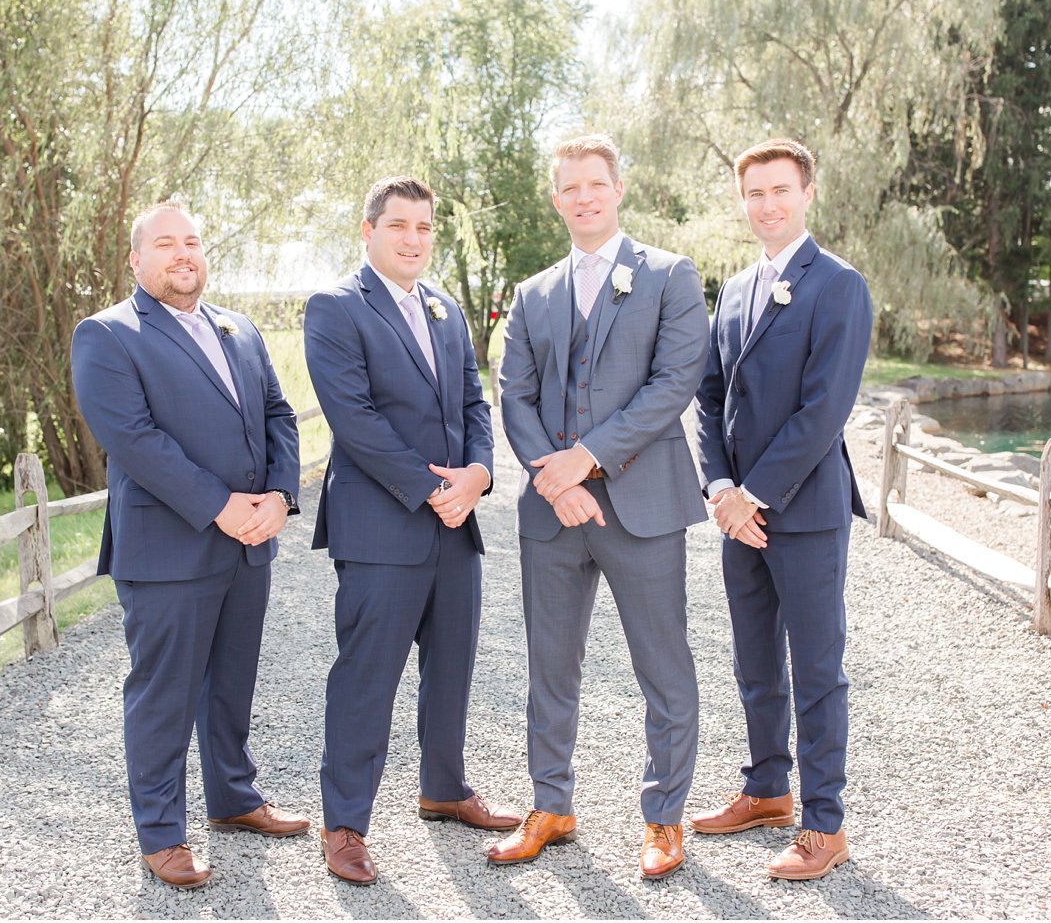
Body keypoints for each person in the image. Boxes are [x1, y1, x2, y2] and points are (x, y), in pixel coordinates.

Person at [71, 201, 308, 891]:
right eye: (166, 244)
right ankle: (163, 834)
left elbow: (277, 414)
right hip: (168, 550)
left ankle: (234, 800)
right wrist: (222, 507)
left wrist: (279, 497)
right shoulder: (108, 335)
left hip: (248, 544)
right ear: (136, 260)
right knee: (164, 694)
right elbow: (135, 440)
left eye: (193, 242)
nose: (183, 254)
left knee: (230, 685)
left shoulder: (240, 328)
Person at [492, 134, 709, 879]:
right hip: (551, 514)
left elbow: (673, 383)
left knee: (664, 667)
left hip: (642, 505)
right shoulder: (534, 293)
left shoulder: (670, 276)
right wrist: (555, 479)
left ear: (618, 189)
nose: (583, 197)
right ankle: (551, 804)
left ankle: (663, 818)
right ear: (556, 198)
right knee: (550, 667)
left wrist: (587, 460)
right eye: (569, 187)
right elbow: (512, 394)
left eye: (595, 184)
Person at [303, 176, 520, 886]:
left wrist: (479, 475)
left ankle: (445, 788)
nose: (414, 239)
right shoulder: (336, 308)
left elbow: (471, 400)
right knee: (367, 679)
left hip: (455, 526)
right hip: (382, 526)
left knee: (452, 668)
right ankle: (344, 825)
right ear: (367, 231)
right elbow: (356, 420)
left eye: (425, 227)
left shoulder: (446, 308)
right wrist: (434, 488)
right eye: (399, 226)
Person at [691, 138, 872, 881]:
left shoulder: (838, 285)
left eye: (779, 190)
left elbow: (823, 410)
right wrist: (718, 490)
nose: (767, 204)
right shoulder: (733, 290)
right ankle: (766, 788)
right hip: (738, 515)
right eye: (754, 193)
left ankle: (823, 825)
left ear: (806, 195)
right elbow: (707, 400)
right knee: (756, 661)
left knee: (818, 666)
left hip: (803, 511)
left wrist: (752, 495)